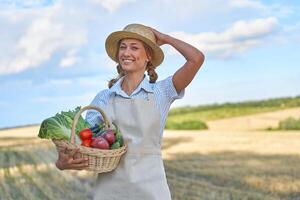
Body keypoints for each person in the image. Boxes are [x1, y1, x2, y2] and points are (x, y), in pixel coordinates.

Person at [55, 23, 205, 200]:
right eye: (123, 47)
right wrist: (62, 163)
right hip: (110, 190)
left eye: (134, 48)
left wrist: (165, 38)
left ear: (148, 55)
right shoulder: (104, 98)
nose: (126, 53)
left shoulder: (161, 92)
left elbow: (196, 58)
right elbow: (87, 144)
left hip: (152, 188)